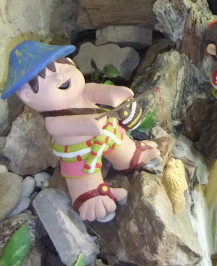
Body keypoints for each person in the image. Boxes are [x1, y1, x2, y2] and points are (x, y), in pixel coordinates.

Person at [1, 40, 160, 222]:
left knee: (122, 144)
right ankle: (91, 197)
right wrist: (86, 124)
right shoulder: (53, 121)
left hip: (108, 133)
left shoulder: (84, 90)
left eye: (62, 68)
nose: (60, 77)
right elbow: (67, 126)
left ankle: (131, 157)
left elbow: (99, 91)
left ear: (71, 63)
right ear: (28, 96)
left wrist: (116, 95)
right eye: (47, 79)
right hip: (80, 153)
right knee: (83, 175)